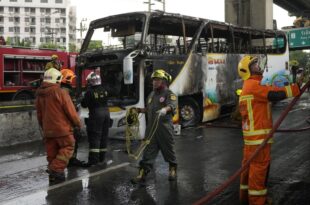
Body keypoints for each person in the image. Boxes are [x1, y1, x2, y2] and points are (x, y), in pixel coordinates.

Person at [237, 55, 300, 205]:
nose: (259, 67)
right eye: (255, 65)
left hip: (251, 141)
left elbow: (272, 90)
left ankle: (244, 199)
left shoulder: (250, 86)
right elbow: (275, 94)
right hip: (259, 141)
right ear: (247, 70)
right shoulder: (253, 86)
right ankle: (258, 201)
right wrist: (296, 87)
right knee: (259, 172)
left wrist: (293, 85)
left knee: (248, 171)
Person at [131, 69, 178, 184]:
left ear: (164, 81)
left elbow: (172, 106)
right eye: (154, 80)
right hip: (151, 129)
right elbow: (149, 109)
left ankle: (172, 169)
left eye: (158, 80)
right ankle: (141, 175)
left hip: (164, 129)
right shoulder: (151, 95)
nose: (155, 82)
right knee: (148, 152)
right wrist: (138, 110)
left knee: (169, 150)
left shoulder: (169, 94)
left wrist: (164, 109)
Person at [35, 68, 82, 184]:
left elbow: (39, 115)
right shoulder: (61, 92)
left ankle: (55, 176)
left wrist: (44, 127)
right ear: (57, 79)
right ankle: (55, 169)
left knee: (52, 153)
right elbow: (71, 111)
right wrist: (77, 124)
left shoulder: (39, 94)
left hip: (48, 130)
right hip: (63, 129)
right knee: (69, 146)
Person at [81, 72, 110, 167]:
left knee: (95, 137)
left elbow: (84, 104)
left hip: (96, 114)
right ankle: (102, 158)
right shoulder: (104, 89)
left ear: (91, 82)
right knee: (103, 136)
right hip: (106, 113)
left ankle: (93, 161)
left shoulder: (89, 92)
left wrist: (82, 98)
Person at [60, 69, 87, 167]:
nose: (72, 80)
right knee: (73, 141)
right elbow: (71, 108)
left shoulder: (59, 90)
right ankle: (71, 160)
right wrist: (77, 124)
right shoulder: (66, 91)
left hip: (62, 122)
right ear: (67, 79)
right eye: (71, 79)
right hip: (70, 122)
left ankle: (69, 160)